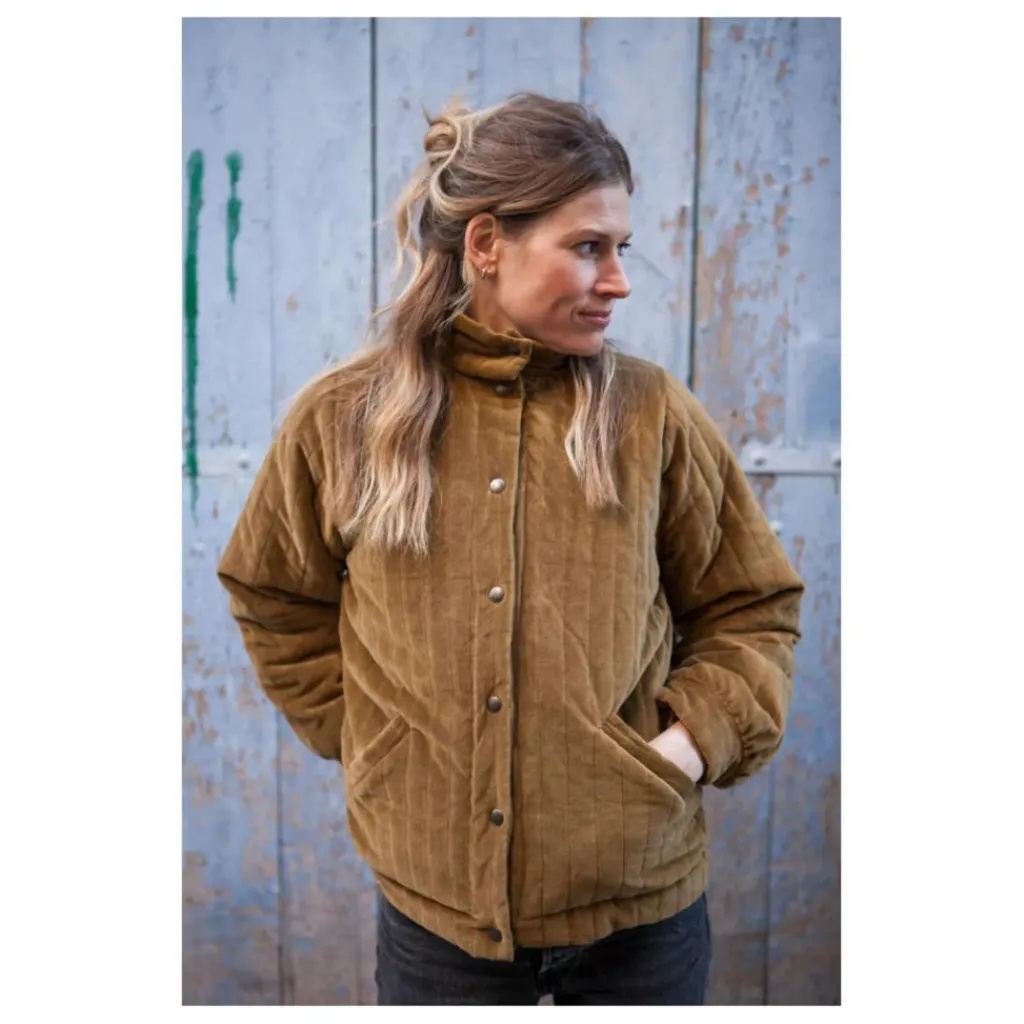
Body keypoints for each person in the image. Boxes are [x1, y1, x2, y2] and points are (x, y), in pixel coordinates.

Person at [217, 91, 804, 1006]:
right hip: (435, 921)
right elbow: (274, 593)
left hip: (639, 914)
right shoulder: (344, 419)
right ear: (487, 243)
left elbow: (751, 608)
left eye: (622, 248)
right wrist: (371, 736)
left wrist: (686, 748)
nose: (619, 280)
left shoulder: (651, 415)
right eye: (589, 247)